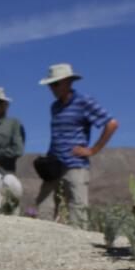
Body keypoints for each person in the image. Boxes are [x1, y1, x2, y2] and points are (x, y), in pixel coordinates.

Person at [36, 63, 118, 226]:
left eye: (55, 84)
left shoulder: (84, 102)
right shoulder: (55, 107)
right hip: (54, 164)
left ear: (68, 82)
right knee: (44, 204)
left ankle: (79, 242)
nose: (52, 88)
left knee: (77, 207)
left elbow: (111, 123)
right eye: (50, 85)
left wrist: (93, 150)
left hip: (75, 164)